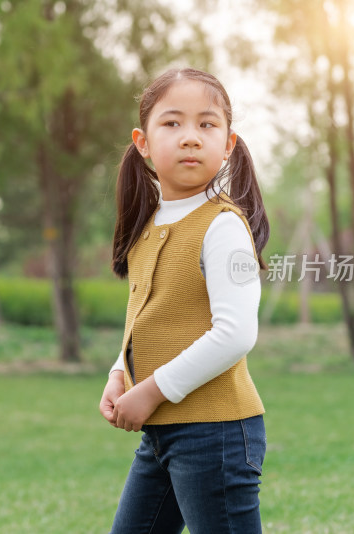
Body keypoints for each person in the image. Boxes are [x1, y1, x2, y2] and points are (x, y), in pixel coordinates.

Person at [99, 67, 270, 534]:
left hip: (215, 434)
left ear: (229, 143)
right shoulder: (147, 226)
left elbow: (235, 334)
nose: (191, 137)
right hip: (162, 434)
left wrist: (150, 390)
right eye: (172, 123)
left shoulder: (223, 226)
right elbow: (149, 316)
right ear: (143, 142)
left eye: (206, 124)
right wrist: (120, 372)